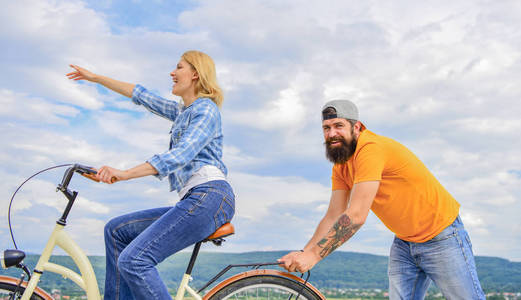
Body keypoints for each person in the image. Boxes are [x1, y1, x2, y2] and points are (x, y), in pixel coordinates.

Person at [66, 50, 235, 300]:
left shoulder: (206, 111)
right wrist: (97, 79)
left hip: (210, 197)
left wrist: (124, 174)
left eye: (179, 67)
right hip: (195, 199)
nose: (172, 72)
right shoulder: (183, 112)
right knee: (116, 231)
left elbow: (178, 155)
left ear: (196, 74)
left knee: (135, 260)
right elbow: (141, 95)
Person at [278, 99, 485, 299]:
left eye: (338, 125)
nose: (332, 133)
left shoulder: (370, 149)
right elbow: (333, 215)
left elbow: (356, 216)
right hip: (405, 241)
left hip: (442, 236)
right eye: (326, 128)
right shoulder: (341, 165)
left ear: (356, 127)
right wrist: (304, 252)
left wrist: (314, 256)